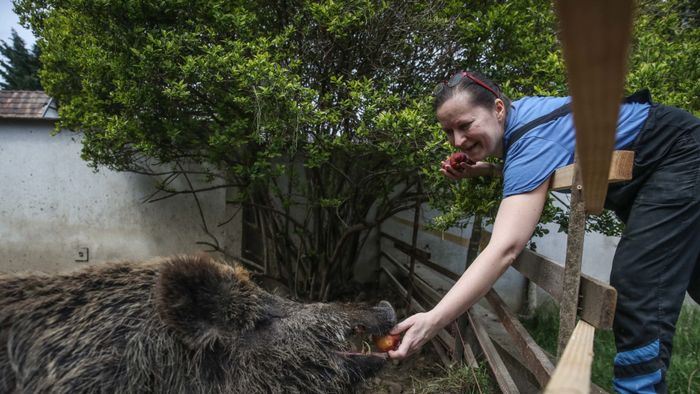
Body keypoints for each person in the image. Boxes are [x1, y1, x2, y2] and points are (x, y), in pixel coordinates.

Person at [387, 70, 700, 393]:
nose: (457, 141)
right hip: (672, 153)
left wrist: (434, 319)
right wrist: (492, 170)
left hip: (680, 153)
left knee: (639, 282)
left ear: (498, 109)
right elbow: (546, 154)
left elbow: (505, 248)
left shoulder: (529, 140)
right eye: (448, 131)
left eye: (465, 125)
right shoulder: (523, 119)